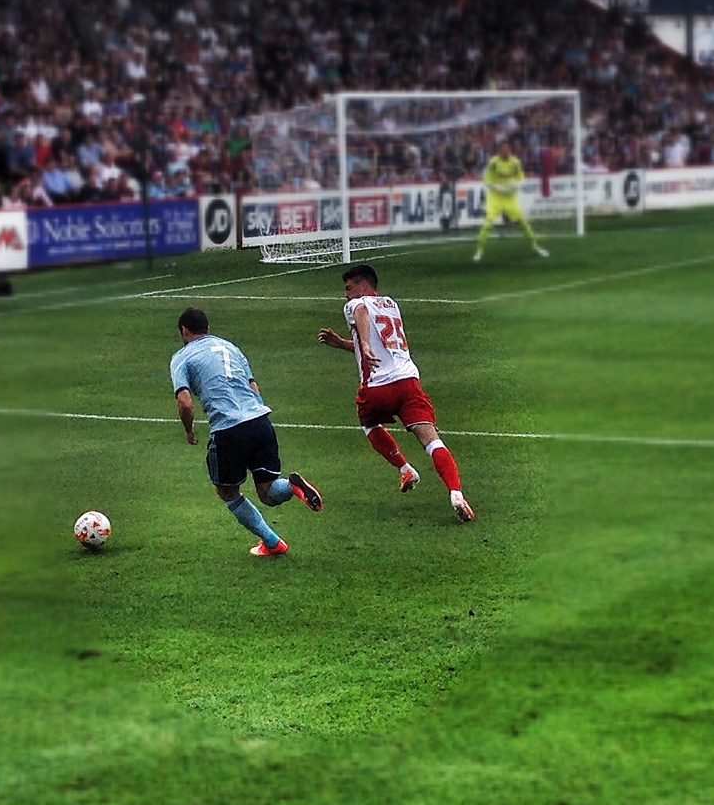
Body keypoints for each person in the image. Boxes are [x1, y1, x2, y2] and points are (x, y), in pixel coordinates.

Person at [316, 262, 475, 522]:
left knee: (368, 424)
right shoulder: (391, 304)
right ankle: (456, 493)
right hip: (408, 382)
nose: (346, 295)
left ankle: (405, 469)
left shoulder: (356, 304)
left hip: (378, 386)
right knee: (432, 441)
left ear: (363, 285)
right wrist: (346, 344)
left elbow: (361, 313)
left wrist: (363, 342)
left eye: (349, 288)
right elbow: (380, 343)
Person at [170, 306, 322, 557]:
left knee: (227, 491)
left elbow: (184, 402)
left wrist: (189, 431)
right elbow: (253, 387)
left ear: (184, 330)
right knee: (268, 492)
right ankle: (292, 487)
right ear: (207, 328)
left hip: (228, 429)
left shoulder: (182, 357)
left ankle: (273, 542)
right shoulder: (231, 348)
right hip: (259, 420)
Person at [473, 138, 549, 262]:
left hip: (510, 197)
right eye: (503, 149)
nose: (506, 151)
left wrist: (515, 185)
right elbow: (486, 179)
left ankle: (535, 246)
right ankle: (479, 251)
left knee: (523, 222)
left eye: (508, 149)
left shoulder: (515, 162)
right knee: (487, 224)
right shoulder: (493, 162)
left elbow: (520, 177)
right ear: (499, 151)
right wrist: (496, 186)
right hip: (495, 196)